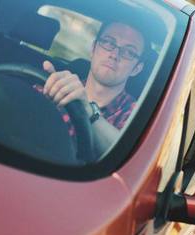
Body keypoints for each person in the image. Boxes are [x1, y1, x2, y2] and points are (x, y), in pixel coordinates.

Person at [41, 20, 146, 158]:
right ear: (93, 48)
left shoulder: (139, 116)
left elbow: (129, 159)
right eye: (109, 42)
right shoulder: (58, 85)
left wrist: (88, 111)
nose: (114, 55)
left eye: (129, 52)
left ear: (136, 68)